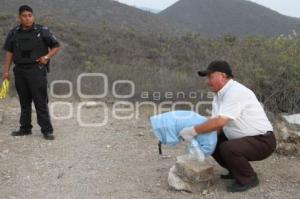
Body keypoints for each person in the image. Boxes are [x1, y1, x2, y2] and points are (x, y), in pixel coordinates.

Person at [179, 60, 276, 192]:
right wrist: (200, 138)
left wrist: (192, 131)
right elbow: (215, 126)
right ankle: (235, 171)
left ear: (223, 76)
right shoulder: (218, 96)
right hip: (245, 140)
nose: (207, 81)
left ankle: (249, 178)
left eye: (210, 77)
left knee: (228, 148)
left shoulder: (236, 91)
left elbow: (220, 122)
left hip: (262, 141)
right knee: (213, 141)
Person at [2, 5, 60, 140]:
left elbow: (56, 46)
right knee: (24, 101)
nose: (27, 18)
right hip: (20, 71)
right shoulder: (14, 32)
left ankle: (47, 130)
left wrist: (46, 57)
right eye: (24, 16)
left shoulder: (42, 30)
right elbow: (9, 52)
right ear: (19, 17)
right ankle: (25, 128)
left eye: (29, 15)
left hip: (37, 70)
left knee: (40, 101)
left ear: (33, 16)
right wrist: (6, 71)